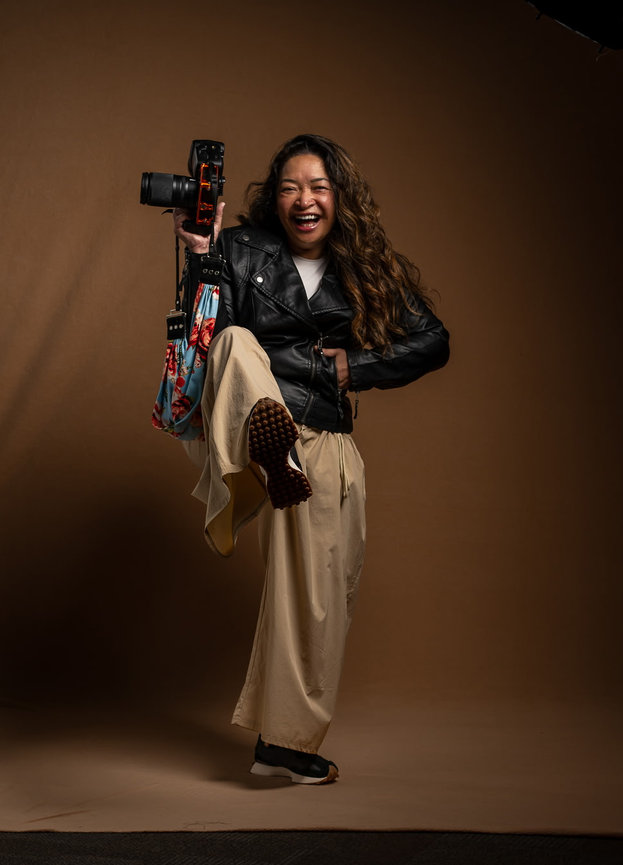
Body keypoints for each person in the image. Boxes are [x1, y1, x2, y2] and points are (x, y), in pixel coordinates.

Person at [172, 133, 449, 785]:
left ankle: (283, 746)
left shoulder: (365, 264)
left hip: (321, 438)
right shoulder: (240, 248)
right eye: (291, 187)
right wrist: (201, 259)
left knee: (319, 597)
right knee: (235, 342)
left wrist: (356, 368)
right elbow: (204, 338)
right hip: (246, 421)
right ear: (275, 198)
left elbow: (434, 341)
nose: (305, 200)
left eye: (319, 187)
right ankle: (271, 448)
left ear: (339, 197)